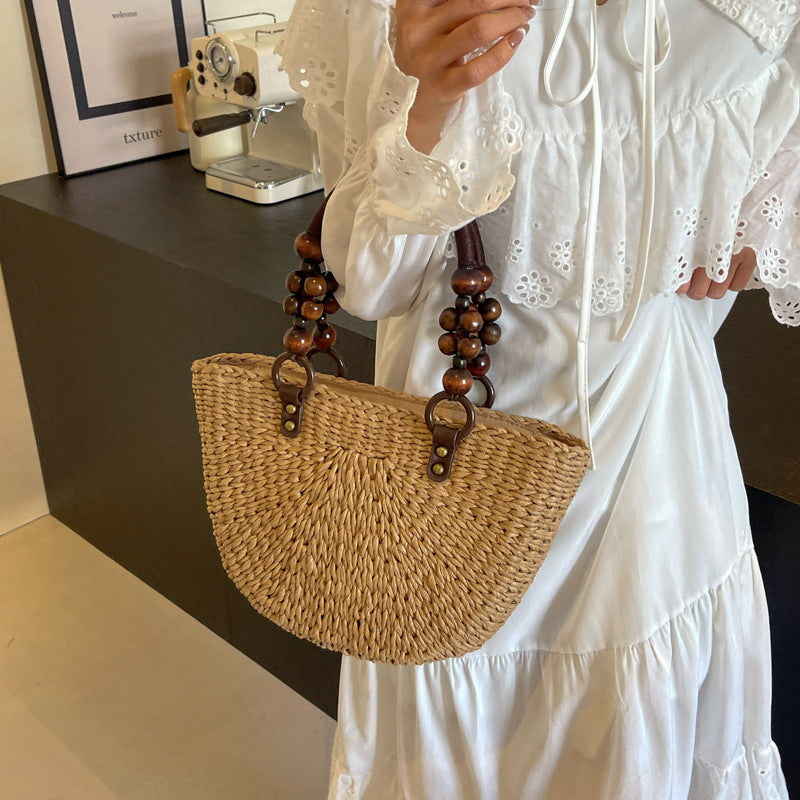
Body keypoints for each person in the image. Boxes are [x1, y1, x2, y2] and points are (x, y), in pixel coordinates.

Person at [277, 1, 799, 797]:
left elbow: (765, 182)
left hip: (656, 475)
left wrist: (755, 223)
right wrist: (427, 105)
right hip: (452, 469)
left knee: (642, 739)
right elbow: (373, 282)